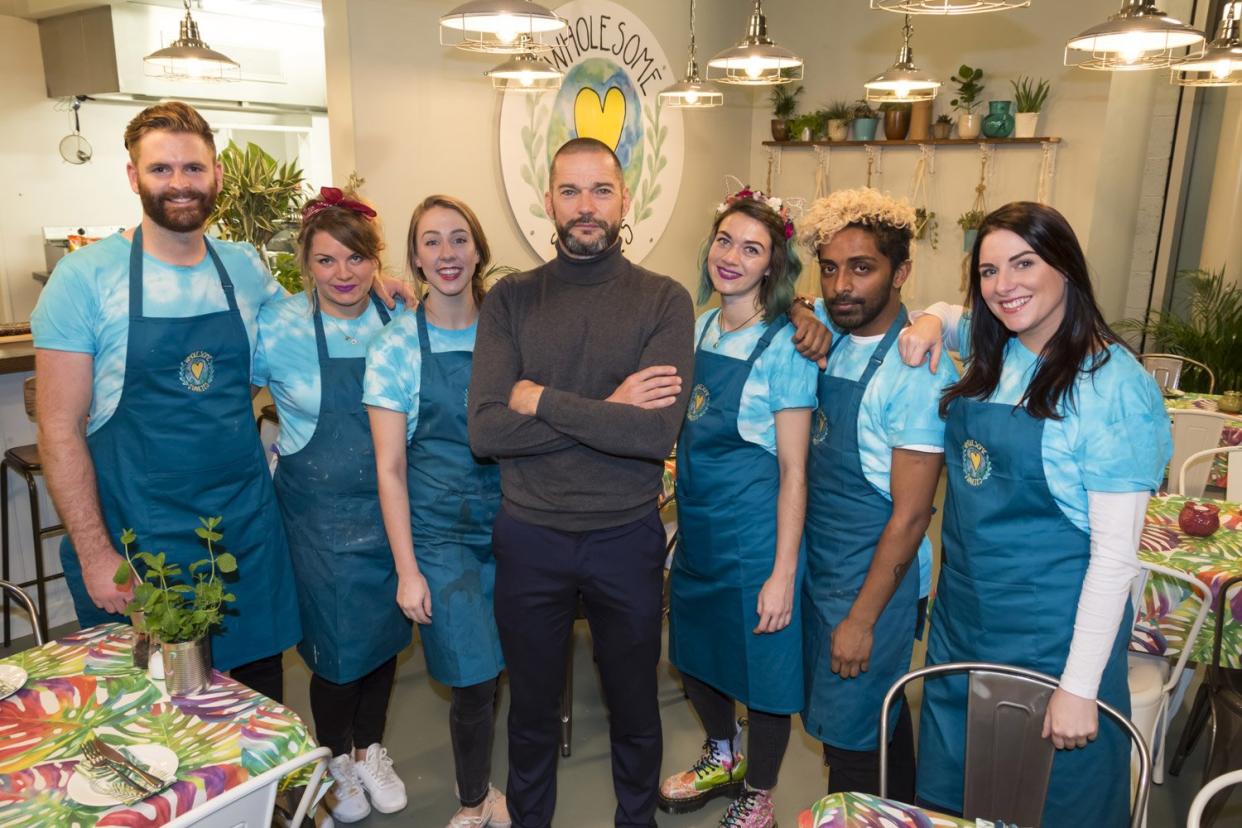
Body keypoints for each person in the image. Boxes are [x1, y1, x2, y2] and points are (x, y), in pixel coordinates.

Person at [898, 202, 1172, 826]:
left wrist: (1078, 689)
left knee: (1048, 805)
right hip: (962, 629)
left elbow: (1114, 559)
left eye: (1024, 263)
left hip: (1052, 644)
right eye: (989, 271)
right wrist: (926, 322)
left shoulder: (1111, 386)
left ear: (1066, 268)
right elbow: (946, 314)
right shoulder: (1005, 343)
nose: (1004, 286)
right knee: (955, 802)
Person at [31, 102, 300, 700]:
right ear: (134, 177)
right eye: (160, 170)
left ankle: (267, 800)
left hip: (242, 531)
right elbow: (58, 429)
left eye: (193, 168)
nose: (179, 184)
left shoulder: (245, 266)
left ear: (217, 175)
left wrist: (381, 289)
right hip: (142, 541)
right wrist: (97, 554)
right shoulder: (85, 278)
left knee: (257, 704)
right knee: (158, 720)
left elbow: (310, 329)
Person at [660, 189, 817, 828]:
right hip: (698, 531)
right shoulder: (694, 327)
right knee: (694, 655)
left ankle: (762, 792)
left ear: (771, 266)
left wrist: (782, 573)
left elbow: (795, 471)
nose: (732, 257)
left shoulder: (786, 348)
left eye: (751, 248)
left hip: (756, 540)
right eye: (725, 241)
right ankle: (722, 753)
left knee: (766, 674)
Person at [252, 187, 409, 822]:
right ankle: (335, 757)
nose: (342, 275)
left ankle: (371, 751)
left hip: (392, 508)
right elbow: (230, 399)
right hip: (317, 517)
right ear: (304, 265)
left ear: (376, 260)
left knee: (385, 639)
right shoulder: (277, 323)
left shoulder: (398, 317)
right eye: (325, 261)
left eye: (356, 259)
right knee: (336, 652)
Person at [795, 188, 957, 802]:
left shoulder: (915, 369)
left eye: (862, 268)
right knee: (878, 718)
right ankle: (907, 811)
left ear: (901, 273)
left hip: (876, 587)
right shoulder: (834, 334)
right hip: (827, 568)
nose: (842, 285)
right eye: (830, 268)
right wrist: (796, 309)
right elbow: (781, 290)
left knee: (853, 743)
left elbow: (913, 515)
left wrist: (860, 621)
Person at [366, 195, 509, 828]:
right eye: (431, 241)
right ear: (416, 257)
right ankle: (475, 798)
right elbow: (390, 469)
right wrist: (407, 569)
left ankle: (513, 789)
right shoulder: (394, 347)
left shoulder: (510, 332)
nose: (446, 253)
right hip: (442, 534)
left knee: (521, 668)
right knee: (473, 679)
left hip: (519, 523)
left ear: (478, 250)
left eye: (458, 239)